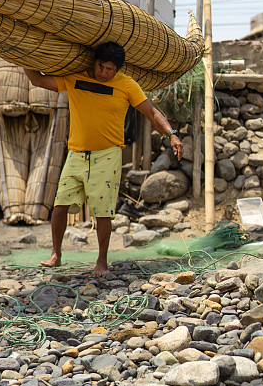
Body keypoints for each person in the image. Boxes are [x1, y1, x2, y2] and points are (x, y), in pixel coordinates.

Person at [24, 42, 183, 275]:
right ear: (94, 62)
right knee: (59, 206)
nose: (105, 73)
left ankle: (101, 261)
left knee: (102, 211)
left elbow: (151, 112)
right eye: (101, 66)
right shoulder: (74, 78)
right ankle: (56, 254)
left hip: (108, 154)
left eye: (110, 69)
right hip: (76, 153)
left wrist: (171, 134)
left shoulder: (127, 85)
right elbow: (38, 80)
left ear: (117, 69)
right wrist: (20, 56)